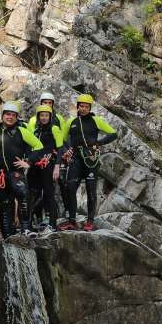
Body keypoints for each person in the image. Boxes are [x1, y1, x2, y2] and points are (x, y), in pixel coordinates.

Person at [59, 94, 117, 231]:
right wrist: (68, 150)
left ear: (90, 108)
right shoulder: (71, 122)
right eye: (81, 106)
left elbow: (113, 134)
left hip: (90, 158)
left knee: (91, 191)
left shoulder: (96, 120)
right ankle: (71, 221)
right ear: (77, 107)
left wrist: (99, 143)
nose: (83, 109)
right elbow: (61, 140)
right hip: (75, 159)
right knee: (70, 188)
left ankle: (90, 221)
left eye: (86, 106)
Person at [0, 102, 43, 237]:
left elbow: (39, 146)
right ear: (2, 115)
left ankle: (25, 229)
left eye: (13, 115)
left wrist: (29, 162)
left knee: (24, 195)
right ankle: (8, 237)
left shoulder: (21, 131)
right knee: (4, 206)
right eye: (7, 114)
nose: (10, 117)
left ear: (16, 117)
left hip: (15, 172)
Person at [28, 104, 64, 232]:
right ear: (38, 117)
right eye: (41, 115)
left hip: (48, 165)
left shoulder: (54, 128)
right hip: (36, 166)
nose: (44, 118)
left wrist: (57, 166)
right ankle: (30, 224)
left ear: (50, 116)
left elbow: (60, 148)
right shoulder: (36, 130)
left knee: (49, 193)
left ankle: (52, 224)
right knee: (32, 194)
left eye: (46, 115)